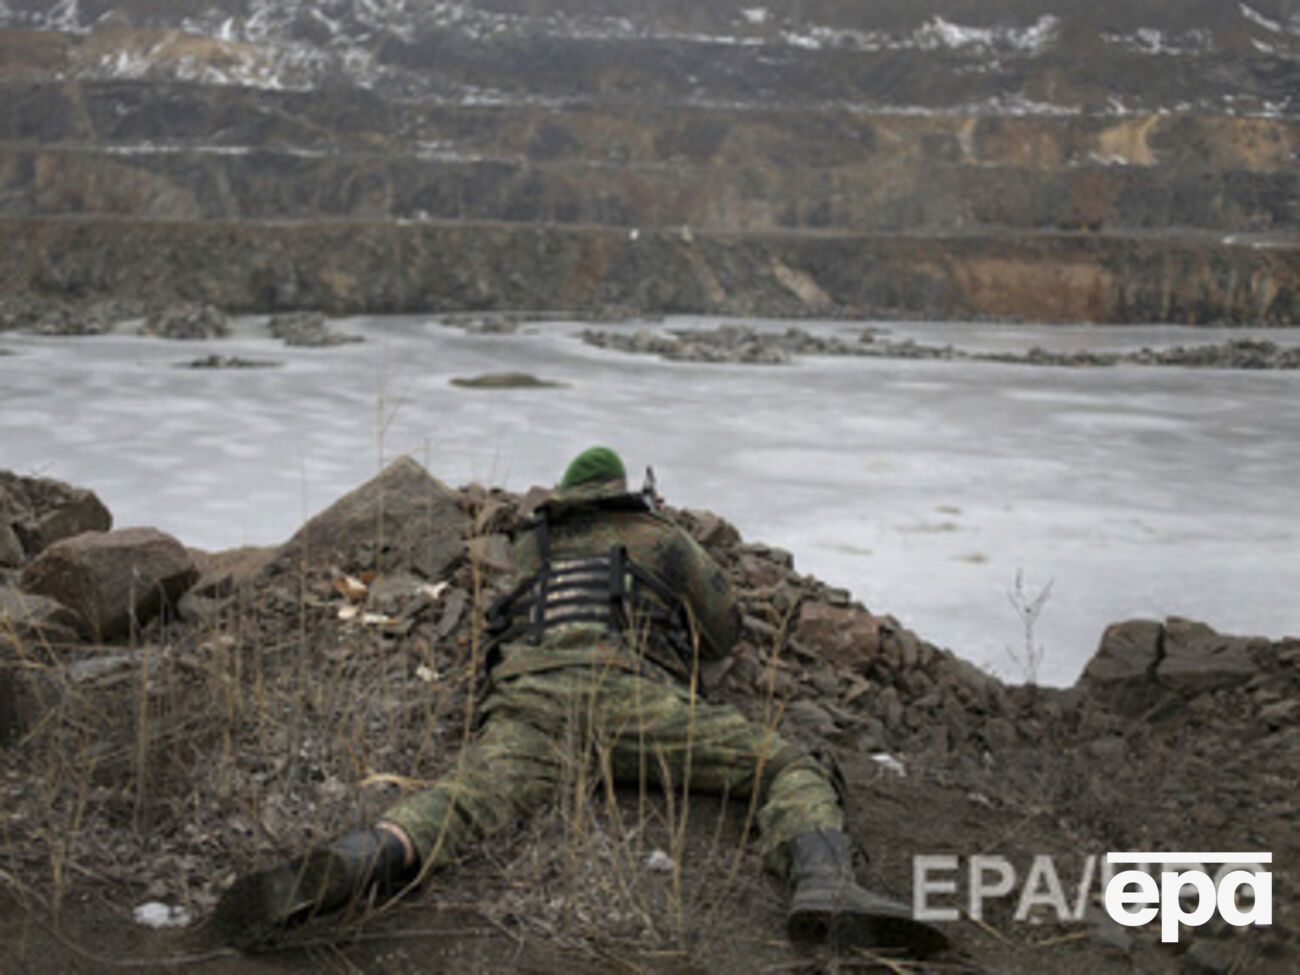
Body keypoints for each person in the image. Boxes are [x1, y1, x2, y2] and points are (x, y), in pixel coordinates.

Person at [213, 447, 948, 956]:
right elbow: (725, 631)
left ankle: (362, 855)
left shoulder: (532, 547)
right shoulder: (658, 533)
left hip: (529, 708)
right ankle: (825, 881)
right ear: (624, 489)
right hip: (628, 702)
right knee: (786, 762)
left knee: (460, 802)